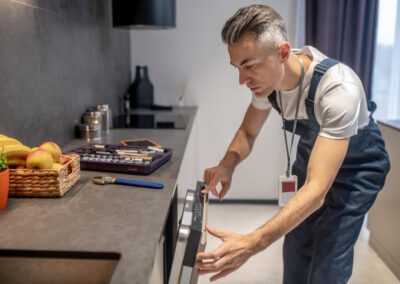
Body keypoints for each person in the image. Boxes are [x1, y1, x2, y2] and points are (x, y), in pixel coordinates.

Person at [196, 4, 390, 284]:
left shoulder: (338, 89)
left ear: (283, 52)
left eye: (248, 66)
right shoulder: (267, 84)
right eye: (237, 67)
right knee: (296, 247)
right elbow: (248, 133)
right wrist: (228, 164)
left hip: (357, 169)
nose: (241, 80)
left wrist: (251, 243)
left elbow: (316, 191)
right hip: (314, 156)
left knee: (328, 260)